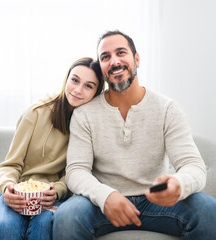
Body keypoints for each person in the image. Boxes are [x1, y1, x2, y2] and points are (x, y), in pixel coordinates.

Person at [53, 30, 216, 240]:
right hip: (102, 203)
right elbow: (76, 171)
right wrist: (106, 196)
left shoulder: (167, 109)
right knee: (67, 217)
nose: (114, 61)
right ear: (101, 68)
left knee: (209, 211)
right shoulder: (85, 114)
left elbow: (193, 166)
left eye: (121, 52)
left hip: (156, 202)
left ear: (136, 58)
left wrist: (178, 184)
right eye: (105, 57)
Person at [0, 57, 104, 240]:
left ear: (97, 92)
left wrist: (58, 189)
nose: (77, 90)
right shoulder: (35, 113)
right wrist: (8, 187)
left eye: (88, 86)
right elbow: (10, 165)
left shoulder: (91, 127)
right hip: (19, 192)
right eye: (74, 80)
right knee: (4, 229)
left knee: (44, 227)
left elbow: (81, 172)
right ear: (66, 79)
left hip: (54, 198)